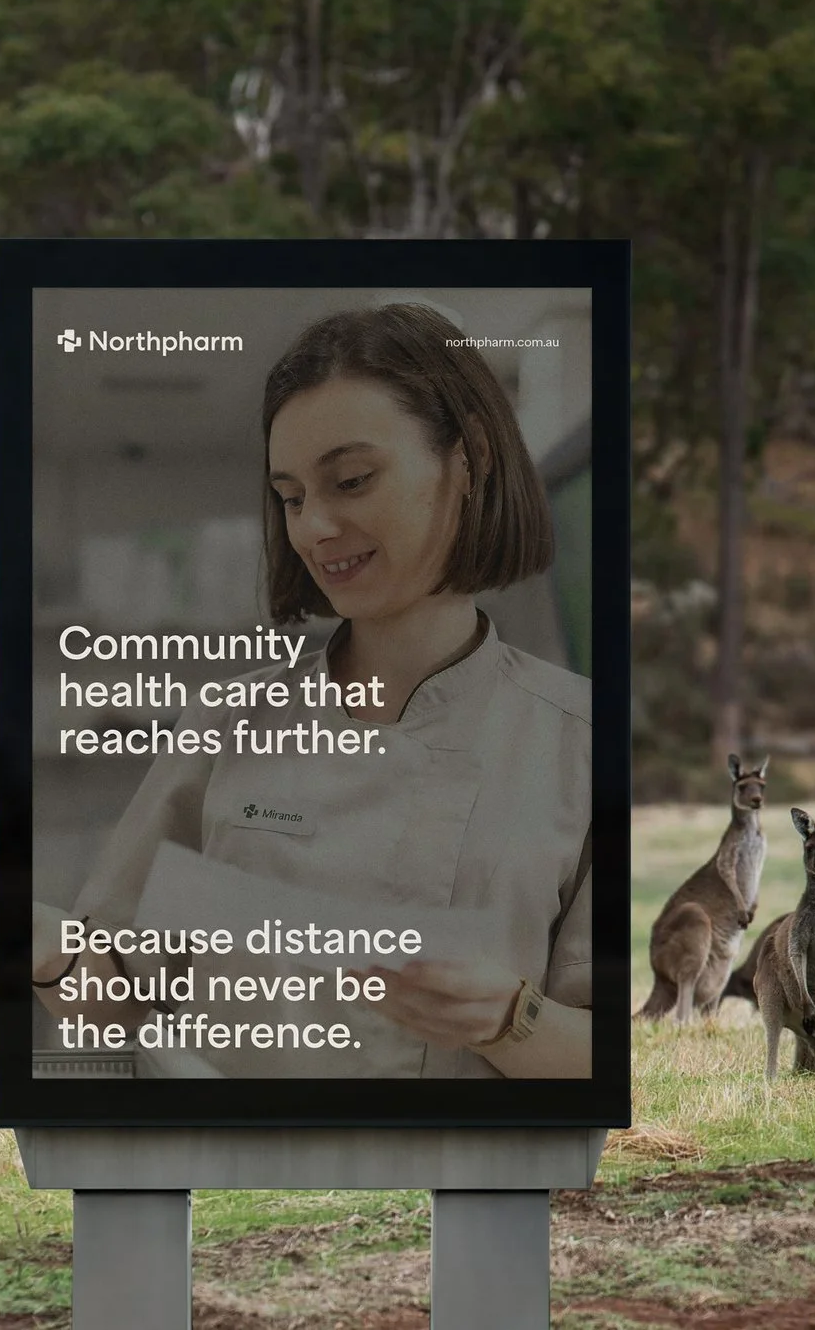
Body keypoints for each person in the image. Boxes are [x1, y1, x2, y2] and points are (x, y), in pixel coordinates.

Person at [33, 302, 592, 1079]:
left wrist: (510, 1018)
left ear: (471, 462)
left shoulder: (580, 741)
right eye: (291, 497)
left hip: (461, 1183)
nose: (314, 527)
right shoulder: (230, 722)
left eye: (351, 480)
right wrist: (44, 945)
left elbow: (624, 1050)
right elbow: (122, 995)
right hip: (239, 1179)